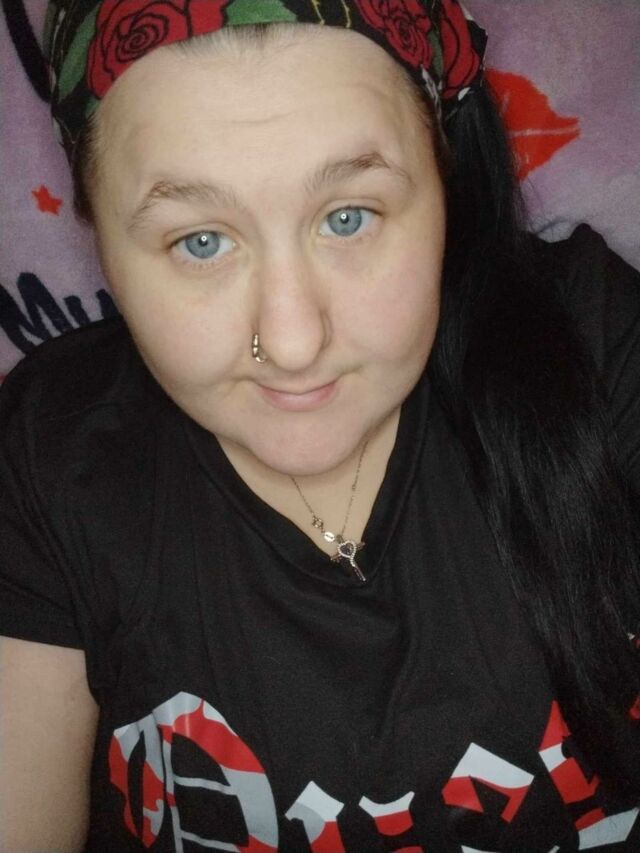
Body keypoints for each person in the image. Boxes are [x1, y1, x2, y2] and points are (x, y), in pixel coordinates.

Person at [2, 0, 640, 850]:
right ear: (97, 236)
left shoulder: (598, 346)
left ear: (443, 180)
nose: (293, 341)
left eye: (348, 217)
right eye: (201, 241)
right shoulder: (51, 452)